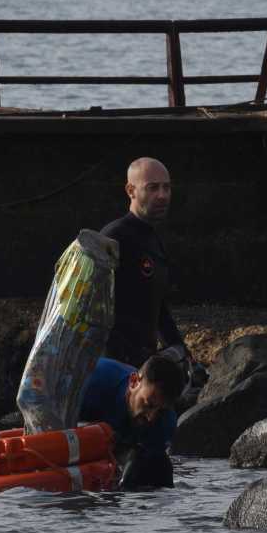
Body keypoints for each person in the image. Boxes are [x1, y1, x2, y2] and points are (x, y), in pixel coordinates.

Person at [101, 157, 193, 374]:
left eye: (166, 188)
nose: (162, 195)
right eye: (152, 188)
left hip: (142, 365)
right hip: (113, 367)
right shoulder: (114, 238)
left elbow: (157, 307)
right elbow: (88, 311)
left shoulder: (153, 239)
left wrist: (181, 351)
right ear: (130, 190)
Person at [76, 355, 186, 490]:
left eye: (161, 410)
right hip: (71, 379)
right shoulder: (92, 384)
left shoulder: (165, 422)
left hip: (120, 435)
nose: (151, 417)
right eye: (148, 405)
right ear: (134, 382)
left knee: (158, 467)